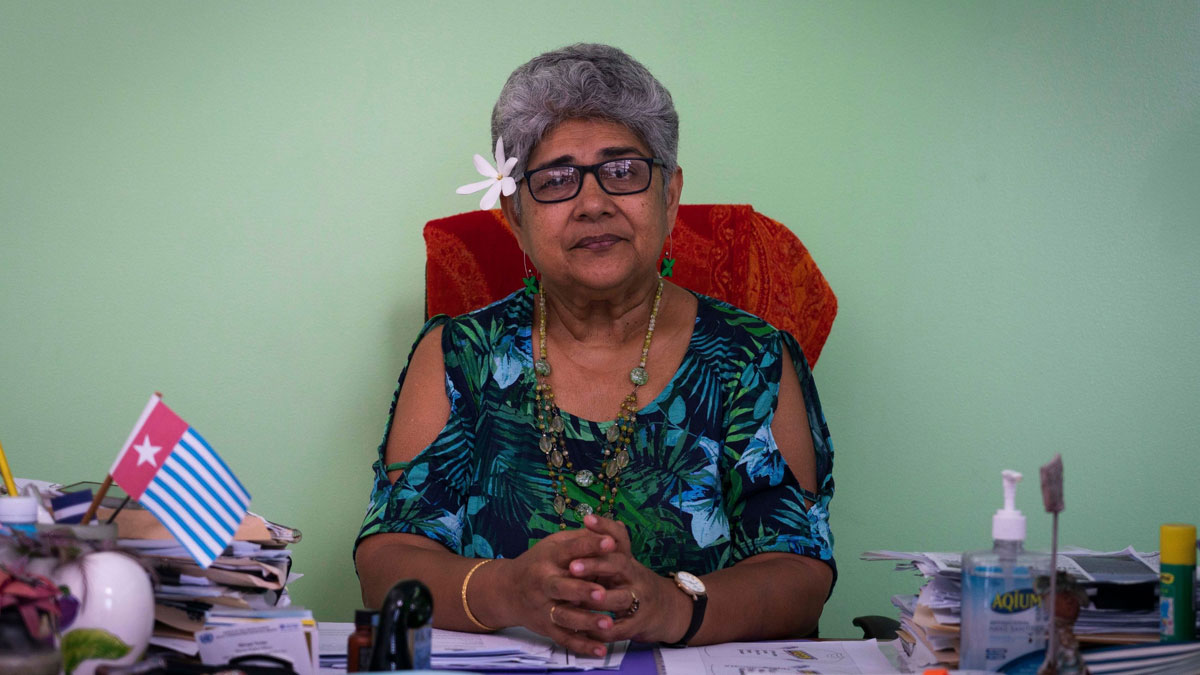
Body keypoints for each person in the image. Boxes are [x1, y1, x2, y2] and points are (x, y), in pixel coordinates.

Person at [354, 43, 834, 657]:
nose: (593, 203)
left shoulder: (752, 358)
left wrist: (669, 604)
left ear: (670, 195)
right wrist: (510, 591)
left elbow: (799, 572)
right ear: (515, 215)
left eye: (623, 170)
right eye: (556, 180)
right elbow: (387, 562)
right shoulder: (458, 355)